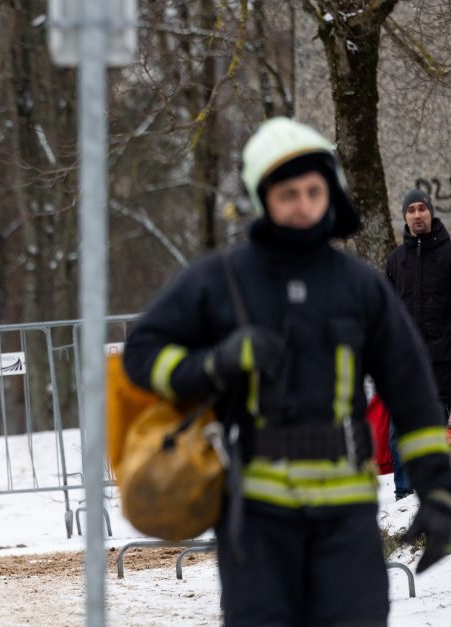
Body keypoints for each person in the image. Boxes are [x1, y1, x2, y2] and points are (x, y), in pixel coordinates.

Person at [123, 117, 451, 626]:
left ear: (330, 194)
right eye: (288, 193)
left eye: (313, 191)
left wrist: (436, 486)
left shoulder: (361, 287)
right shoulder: (221, 279)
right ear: (263, 197)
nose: (302, 205)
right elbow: (142, 354)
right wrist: (216, 362)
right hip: (256, 519)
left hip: (346, 518)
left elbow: (411, 389)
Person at [385, 189, 451, 500]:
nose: (416, 214)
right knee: (399, 434)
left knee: (434, 435)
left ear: (430, 212)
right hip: (405, 366)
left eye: (421, 208)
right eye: (410, 209)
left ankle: (434, 499)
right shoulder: (396, 261)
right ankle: (403, 498)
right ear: (406, 215)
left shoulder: (449, 255)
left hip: (442, 366)